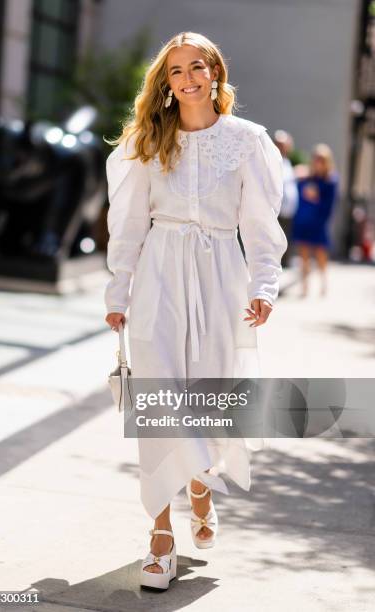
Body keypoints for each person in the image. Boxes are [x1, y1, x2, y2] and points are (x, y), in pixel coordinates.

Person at [104, 31, 287, 590]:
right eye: (176, 71)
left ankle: (201, 483)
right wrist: (119, 292)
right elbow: (130, 223)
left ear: (216, 74)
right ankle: (160, 537)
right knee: (159, 405)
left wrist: (264, 284)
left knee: (208, 400)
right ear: (165, 83)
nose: (187, 78)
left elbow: (260, 223)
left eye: (197, 67)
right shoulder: (147, 141)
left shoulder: (248, 141)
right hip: (159, 276)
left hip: (220, 281)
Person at [291, 144, 339, 297]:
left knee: (320, 255)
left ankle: (324, 284)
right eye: (316, 158)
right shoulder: (307, 177)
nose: (318, 162)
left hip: (319, 222)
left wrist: (315, 197)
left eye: (322, 159)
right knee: (303, 255)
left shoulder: (331, 180)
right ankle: (304, 287)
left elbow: (330, 204)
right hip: (303, 220)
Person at [274, 130, 299, 267]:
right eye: (279, 144)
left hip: (288, 210)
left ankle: (285, 263)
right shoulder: (271, 159)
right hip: (276, 209)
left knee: (286, 238)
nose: (282, 148)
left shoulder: (288, 162)